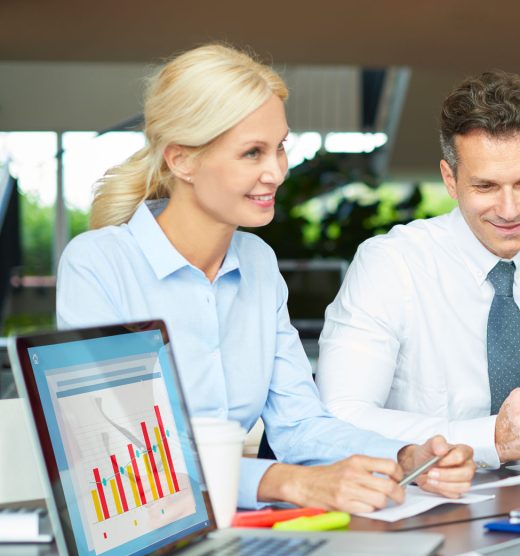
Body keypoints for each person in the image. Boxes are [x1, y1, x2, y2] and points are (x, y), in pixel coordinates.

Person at [56, 44, 475, 513]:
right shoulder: (97, 265)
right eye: (252, 153)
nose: (276, 172)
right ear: (181, 160)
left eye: (279, 147)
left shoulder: (257, 263)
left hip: (237, 533)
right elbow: (128, 454)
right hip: (140, 533)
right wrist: (287, 483)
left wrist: (402, 456)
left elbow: (299, 423)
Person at [316, 71, 520, 469]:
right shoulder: (390, 265)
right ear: (450, 180)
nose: (509, 211)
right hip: (428, 501)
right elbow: (341, 416)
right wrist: (489, 438)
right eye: (486, 187)